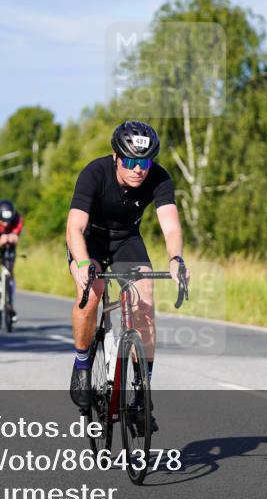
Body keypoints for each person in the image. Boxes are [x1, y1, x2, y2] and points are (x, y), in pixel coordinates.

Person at [65, 120, 189, 430]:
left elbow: (171, 227)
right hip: (91, 240)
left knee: (144, 300)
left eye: (144, 162)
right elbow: (75, 227)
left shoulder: (159, 177)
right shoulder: (94, 173)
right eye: (131, 161)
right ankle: (82, 364)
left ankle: (142, 392)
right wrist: (82, 263)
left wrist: (175, 259)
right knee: (91, 293)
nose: (138, 169)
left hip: (126, 241)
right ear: (116, 157)